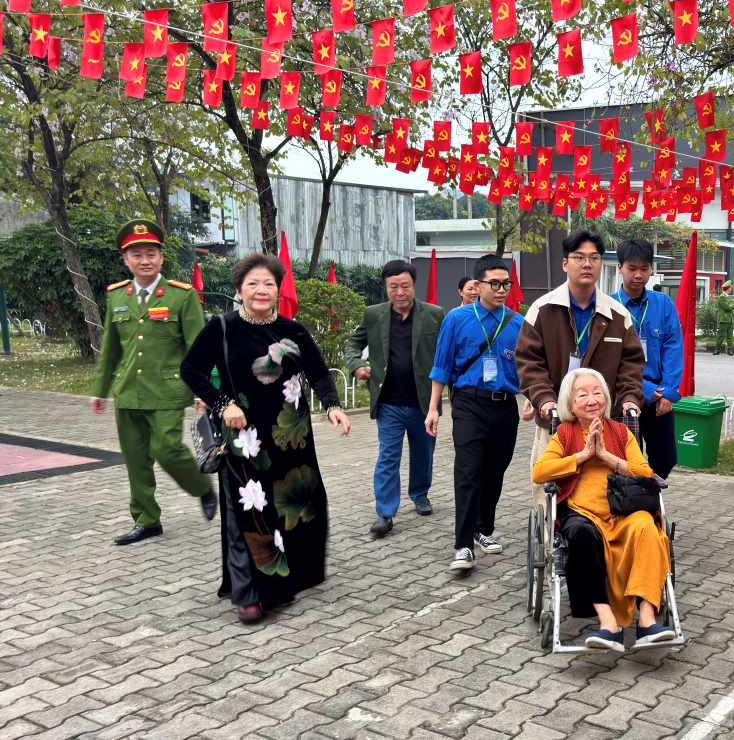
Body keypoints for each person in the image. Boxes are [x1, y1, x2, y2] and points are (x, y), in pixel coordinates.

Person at [180, 254, 351, 624]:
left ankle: (292, 577)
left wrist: (332, 405)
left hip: (292, 434)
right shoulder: (221, 328)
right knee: (251, 510)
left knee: (300, 500)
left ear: (278, 290)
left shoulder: (294, 330)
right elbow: (190, 370)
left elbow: (318, 372)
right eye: (253, 284)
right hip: (244, 435)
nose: (261, 290)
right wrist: (222, 403)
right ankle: (250, 594)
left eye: (268, 284)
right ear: (240, 290)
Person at [91, 219, 217, 546]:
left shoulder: (180, 296)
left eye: (151, 253)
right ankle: (147, 520)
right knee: (136, 460)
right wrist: (101, 390)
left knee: (167, 449)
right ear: (125, 259)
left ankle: (202, 488)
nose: (144, 260)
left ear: (161, 257)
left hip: (168, 391)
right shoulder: (116, 297)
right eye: (136, 255)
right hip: (128, 392)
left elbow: (197, 345)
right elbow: (110, 348)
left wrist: (203, 390)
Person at [532, 368, 674, 652]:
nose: (591, 399)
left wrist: (608, 458)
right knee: (579, 535)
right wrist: (583, 455)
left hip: (624, 512)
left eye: (597, 392)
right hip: (584, 515)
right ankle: (609, 624)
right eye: (582, 394)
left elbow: (645, 471)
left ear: (606, 399)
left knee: (646, 527)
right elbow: (540, 472)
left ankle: (646, 620)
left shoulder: (620, 432)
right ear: (571, 404)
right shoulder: (565, 433)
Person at [516, 229, 645, 474]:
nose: (587, 264)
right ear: (565, 263)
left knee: (611, 493)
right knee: (551, 493)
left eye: (594, 258)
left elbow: (632, 364)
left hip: (607, 422)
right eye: (579, 257)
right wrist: (544, 399)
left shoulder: (618, 314)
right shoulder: (542, 310)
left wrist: (630, 399)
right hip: (556, 420)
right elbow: (529, 363)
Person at [425, 256, 524, 573]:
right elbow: (441, 365)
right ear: (477, 285)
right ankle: (463, 544)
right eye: (494, 283)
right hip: (468, 403)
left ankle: (483, 528)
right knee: (468, 472)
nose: (500, 289)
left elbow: (528, 368)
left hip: (505, 405)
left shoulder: (517, 324)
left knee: (494, 472)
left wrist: (534, 398)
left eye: (505, 284)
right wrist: (433, 408)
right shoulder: (457, 319)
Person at [345, 260, 444, 538]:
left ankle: (420, 493)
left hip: (423, 403)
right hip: (388, 402)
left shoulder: (435, 315)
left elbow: (446, 351)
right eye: (393, 287)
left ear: (414, 286)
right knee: (388, 456)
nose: (400, 292)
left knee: (423, 453)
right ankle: (385, 513)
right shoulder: (374, 315)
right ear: (386, 288)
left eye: (405, 286)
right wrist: (356, 365)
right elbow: (353, 343)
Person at [613, 240, 683, 477]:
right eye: (632, 268)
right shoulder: (609, 307)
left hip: (659, 400)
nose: (638, 275)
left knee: (665, 458)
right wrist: (645, 388)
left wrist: (668, 392)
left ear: (651, 270)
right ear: (619, 268)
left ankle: (650, 501)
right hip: (623, 397)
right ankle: (631, 504)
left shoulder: (662, 304)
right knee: (626, 461)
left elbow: (673, 347)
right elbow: (610, 358)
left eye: (644, 269)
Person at [715, 280, 734, 356]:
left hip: (730, 320)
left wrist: (733, 305)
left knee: (730, 336)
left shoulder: (728, 297)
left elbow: (730, 306)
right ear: (728, 288)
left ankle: (730, 351)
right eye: (730, 288)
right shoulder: (721, 297)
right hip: (723, 320)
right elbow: (727, 308)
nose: (731, 289)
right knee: (721, 336)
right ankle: (717, 349)